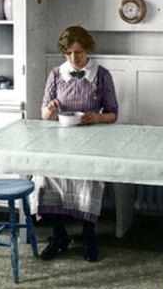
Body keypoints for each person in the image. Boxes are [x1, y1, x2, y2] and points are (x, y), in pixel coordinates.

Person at [32, 25, 118, 262]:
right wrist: (50, 109)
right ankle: (59, 235)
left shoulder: (101, 75)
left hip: (92, 140)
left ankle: (89, 235)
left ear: (87, 49)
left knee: (89, 179)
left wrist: (97, 117)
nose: (73, 58)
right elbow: (44, 115)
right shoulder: (56, 74)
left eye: (78, 52)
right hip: (60, 141)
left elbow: (113, 114)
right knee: (45, 177)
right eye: (68, 53)